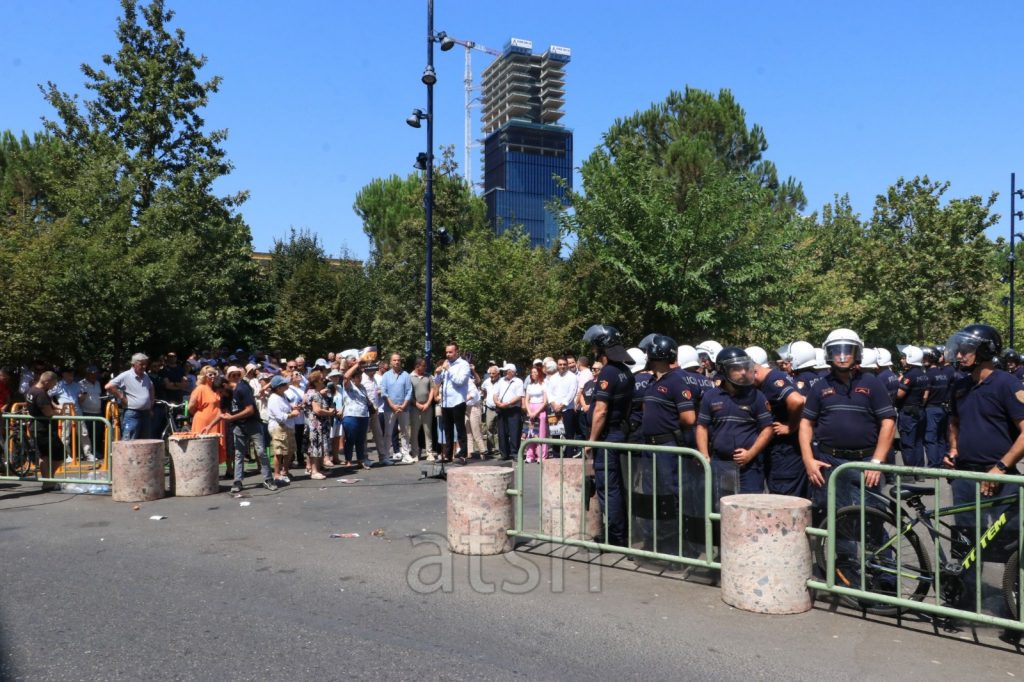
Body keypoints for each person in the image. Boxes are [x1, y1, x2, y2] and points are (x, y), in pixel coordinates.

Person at [944, 324, 1023, 614]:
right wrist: (953, 449)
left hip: (1001, 476)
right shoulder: (960, 384)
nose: (960, 354)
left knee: (1010, 543)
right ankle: (963, 600)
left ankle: (1013, 608)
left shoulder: (1007, 384)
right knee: (965, 539)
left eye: (967, 349)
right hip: (966, 475)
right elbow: (954, 421)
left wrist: (1000, 467)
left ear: (986, 351)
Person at [799, 329, 896, 514]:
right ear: (829, 354)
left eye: (847, 351)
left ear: (856, 353)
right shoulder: (820, 385)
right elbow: (806, 423)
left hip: (865, 463)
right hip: (829, 463)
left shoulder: (873, 383)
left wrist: (876, 462)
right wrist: (808, 460)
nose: (842, 357)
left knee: (870, 520)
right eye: (837, 352)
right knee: (836, 521)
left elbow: (888, 422)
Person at [635, 334, 695, 555]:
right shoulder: (654, 381)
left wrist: (668, 427)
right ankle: (659, 539)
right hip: (651, 448)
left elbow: (688, 418)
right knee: (654, 494)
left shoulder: (676, 380)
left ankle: (677, 544)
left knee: (671, 494)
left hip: (667, 447)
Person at [583, 324, 636, 547]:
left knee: (608, 488)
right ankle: (621, 531)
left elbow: (601, 410)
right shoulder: (625, 371)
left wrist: (591, 441)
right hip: (620, 434)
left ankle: (615, 536)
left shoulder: (608, 372)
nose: (594, 352)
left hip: (607, 437)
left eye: (596, 348)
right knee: (618, 487)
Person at [696, 347, 774, 497]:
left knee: (750, 509)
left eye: (745, 367)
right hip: (720, 465)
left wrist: (750, 454)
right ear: (723, 370)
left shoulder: (757, 396)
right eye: (737, 369)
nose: (743, 372)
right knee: (722, 508)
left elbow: (768, 429)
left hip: (749, 467)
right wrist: (705, 456)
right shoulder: (711, 396)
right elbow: (702, 427)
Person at [752, 353, 807, 497]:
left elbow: (797, 401)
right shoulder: (774, 377)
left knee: (783, 498)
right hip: (783, 451)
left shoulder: (773, 380)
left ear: (755, 372)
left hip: (785, 451)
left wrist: (790, 426)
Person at [222, 367, 276, 493]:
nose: (235, 377)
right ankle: (237, 481)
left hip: (252, 423)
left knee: (261, 451)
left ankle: (268, 479)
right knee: (239, 454)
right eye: (232, 375)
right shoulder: (226, 393)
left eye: (237, 375)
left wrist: (232, 418)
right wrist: (210, 425)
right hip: (238, 426)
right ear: (227, 378)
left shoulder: (243, 388)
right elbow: (222, 411)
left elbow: (250, 410)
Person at [433, 342, 471, 465]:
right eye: (447, 352)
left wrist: (448, 370)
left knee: (460, 428)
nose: (448, 354)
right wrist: (438, 374)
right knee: (447, 429)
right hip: (446, 401)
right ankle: (448, 454)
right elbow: (438, 382)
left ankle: (462, 455)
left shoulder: (463, 364)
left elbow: (460, 381)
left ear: (456, 352)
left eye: (450, 352)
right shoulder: (446, 364)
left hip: (458, 400)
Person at [105, 353, 155, 441]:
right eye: (141, 364)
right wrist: (122, 398)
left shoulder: (145, 375)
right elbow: (109, 386)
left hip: (145, 413)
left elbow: (151, 387)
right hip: (132, 413)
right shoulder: (126, 375)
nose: (144, 366)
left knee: (146, 441)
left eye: (145, 364)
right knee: (129, 440)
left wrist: (151, 402)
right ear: (133, 364)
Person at [26, 371, 62, 489]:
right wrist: (59, 412)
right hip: (43, 429)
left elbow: (47, 401)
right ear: (47, 381)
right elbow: (48, 412)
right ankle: (48, 481)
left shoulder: (32, 390)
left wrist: (55, 406)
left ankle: (48, 481)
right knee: (60, 455)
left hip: (36, 427)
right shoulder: (40, 393)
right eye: (53, 383)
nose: (54, 386)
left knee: (44, 456)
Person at [895, 345, 929, 468]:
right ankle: (920, 472)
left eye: (904, 358)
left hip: (908, 413)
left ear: (910, 358)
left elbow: (899, 394)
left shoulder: (909, 376)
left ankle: (909, 472)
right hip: (920, 410)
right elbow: (925, 395)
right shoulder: (923, 374)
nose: (901, 360)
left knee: (907, 443)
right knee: (918, 442)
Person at [338, 355, 372, 470]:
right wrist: (357, 364)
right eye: (357, 376)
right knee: (350, 439)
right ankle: (348, 460)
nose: (360, 378)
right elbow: (345, 375)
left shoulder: (362, 387)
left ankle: (360, 460)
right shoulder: (348, 385)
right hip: (351, 416)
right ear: (353, 378)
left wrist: (371, 406)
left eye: (360, 376)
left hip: (363, 415)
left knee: (361, 440)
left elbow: (366, 399)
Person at [380, 353, 413, 463]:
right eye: (394, 360)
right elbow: (384, 392)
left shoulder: (406, 375)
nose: (397, 362)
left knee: (405, 432)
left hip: (404, 408)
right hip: (390, 409)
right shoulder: (386, 376)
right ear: (390, 362)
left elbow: (409, 391)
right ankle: (385, 456)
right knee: (388, 433)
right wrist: (392, 405)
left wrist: (403, 405)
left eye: (398, 360)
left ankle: (406, 454)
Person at [302, 370, 335, 479]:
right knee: (315, 448)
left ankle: (316, 469)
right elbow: (317, 410)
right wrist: (329, 412)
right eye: (321, 379)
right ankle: (314, 471)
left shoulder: (313, 392)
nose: (324, 380)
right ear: (315, 382)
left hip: (315, 424)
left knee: (315, 447)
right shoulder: (314, 394)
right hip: (315, 425)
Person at [267, 375, 299, 483]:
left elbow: (286, 409)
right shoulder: (273, 399)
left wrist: (292, 409)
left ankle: (285, 471)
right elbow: (280, 417)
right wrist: (292, 414)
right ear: (278, 387)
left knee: (289, 451)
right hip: (278, 428)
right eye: (284, 384)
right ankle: (276, 474)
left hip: (288, 426)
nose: (287, 385)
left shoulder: (283, 396)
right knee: (279, 452)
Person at [546, 357, 579, 457]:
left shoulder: (572, 377)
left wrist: (562, 405)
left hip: (567, 410)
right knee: (556, 434)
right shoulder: (553, 378)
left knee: (569, 435)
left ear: (567, 365)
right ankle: (556, 457)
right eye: (560, 364)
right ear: (557, 365)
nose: (562, 366)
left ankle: (569, 457)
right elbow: (549, 393)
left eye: (564, 364)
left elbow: (572, 393)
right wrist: (553, 404)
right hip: (554, 410)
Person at [494, 363, 525, 461]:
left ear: (512, 372)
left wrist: (507, 403)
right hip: (502, 409)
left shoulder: (518, 381)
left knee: (514, 432)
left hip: (513, 409)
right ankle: (504, 453)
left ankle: (515, 453)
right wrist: (497, 402)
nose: (504, 373)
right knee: (502, 432)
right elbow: (495, 393)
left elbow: (519, 396)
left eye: (506, 371)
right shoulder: (501, 381)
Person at [409, 358, 436, 463]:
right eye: (423, 366)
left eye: (425, 366)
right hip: (415, 408)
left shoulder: (428, 376)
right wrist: (416, 404)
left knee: (428, 431)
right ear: (417, 366)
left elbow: (432, 390)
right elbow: (409, 394)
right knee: (414, 431)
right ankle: (415, 453)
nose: (425, 368)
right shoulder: (410, 377)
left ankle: (429, 453)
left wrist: (428, 403)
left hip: (427, 407)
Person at [522, 364, 549, 463]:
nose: (533, 374)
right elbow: (527, 400)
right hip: (531, 408)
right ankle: (530, 455)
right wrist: (529, 411)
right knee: (530, 433)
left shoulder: (544, 384)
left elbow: (545, 401)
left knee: (541, 433)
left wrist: (537, 412)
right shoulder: (530, 385)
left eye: (535, 372)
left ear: (539, 373)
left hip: (540, 409)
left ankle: (541, 455)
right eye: (532, 372)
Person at [480, 365, 501, 457]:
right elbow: (483, 390)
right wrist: (485, 399)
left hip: (500, 408)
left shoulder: (502, 382)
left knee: (499, 429)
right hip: (490, 408)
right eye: (490, 374)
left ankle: (498, 448)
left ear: (498, 374)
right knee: (489, 428)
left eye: (493, 374)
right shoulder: (486, 382)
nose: (491, 375)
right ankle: (491, 448)